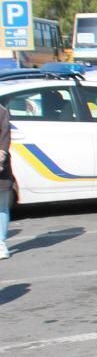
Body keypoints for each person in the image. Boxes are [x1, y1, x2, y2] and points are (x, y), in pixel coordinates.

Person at [0, 101, 12, 259]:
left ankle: (1, 243)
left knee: (1, 207)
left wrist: (1, 155)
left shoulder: (1, 111)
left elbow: (5, 136)